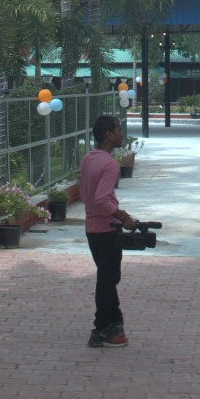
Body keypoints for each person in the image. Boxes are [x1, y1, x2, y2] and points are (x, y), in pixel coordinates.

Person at [80, 114, 137, 349]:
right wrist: (123, 216)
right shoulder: (110, 165)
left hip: (92, 229)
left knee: (108, 278)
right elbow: (101, 199)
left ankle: (116, 322)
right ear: (108, 134)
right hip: (107, 230)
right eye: (118, 130)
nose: (122, 134)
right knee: (107, 281)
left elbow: (86, 194)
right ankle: (101, 329)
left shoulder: (88, 158)